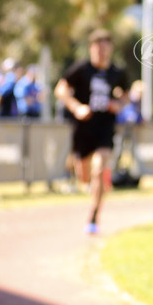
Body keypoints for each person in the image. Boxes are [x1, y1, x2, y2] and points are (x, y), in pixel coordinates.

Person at [54, 28, 128, 234]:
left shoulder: (117, 72)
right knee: (84, 176)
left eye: (105, 48)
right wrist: (76, 107)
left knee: (98, 170)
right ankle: (97, 186)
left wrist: (119, 104)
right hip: (83, 129)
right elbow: (60, 89)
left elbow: (127, 93)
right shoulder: (81, 69)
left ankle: (94, 216)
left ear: (110, 49)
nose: (102, 53)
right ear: (91, 49)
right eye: (98, 49)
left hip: (104, 127)